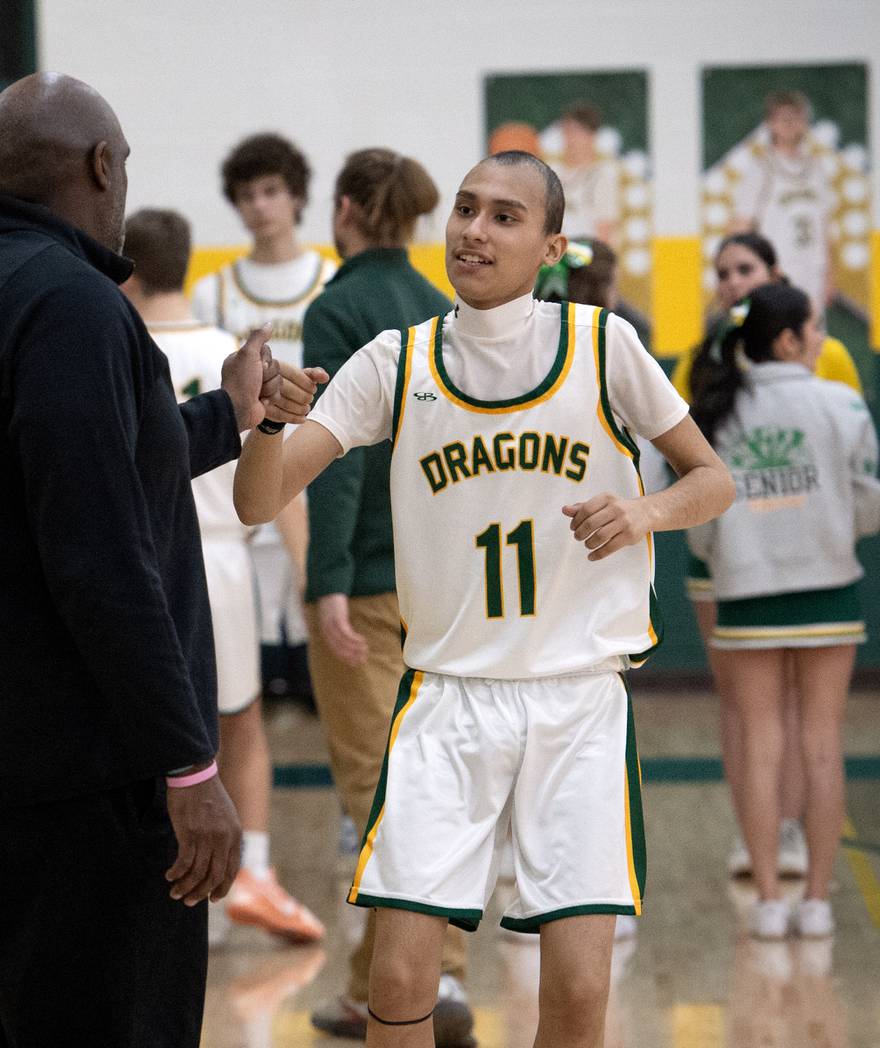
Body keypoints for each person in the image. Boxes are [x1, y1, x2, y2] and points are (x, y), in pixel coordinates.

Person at [234, 151, 734, 1046]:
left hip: (576, 697)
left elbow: (712, 480)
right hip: (447, 699)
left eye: (505, 216)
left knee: (579, 991)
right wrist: (268, 424)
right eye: (466, 209)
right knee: (395, 979)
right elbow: (256, 499)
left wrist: (643, 510)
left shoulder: (603, 345)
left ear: (552, 245)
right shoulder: (396, 358)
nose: (475, 229)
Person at [0, 72, 308, 1046]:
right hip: (70, 787)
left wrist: (229, 413)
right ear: (101, 166)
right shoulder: (72, 302)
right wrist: (189, 761)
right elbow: (99, 556)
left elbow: (97, 463)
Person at [295, 148, 473, 1045]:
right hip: (444, 581)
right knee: (429, 781)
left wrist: (325, 579)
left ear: (352, 208)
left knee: (380, 793)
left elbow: (336, 460)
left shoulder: (338, 307)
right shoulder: (442, 305)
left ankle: (435, 978)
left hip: (366, 581)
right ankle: (378, 988)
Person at [120, 207, 324, 947]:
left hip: (145, 558)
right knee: (239, 726)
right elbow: (279, 467)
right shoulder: (233, 355)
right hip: (228, 556)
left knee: (160, 730)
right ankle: (251, 873)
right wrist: (305, 571)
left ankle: (179, 883)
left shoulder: (117, 349)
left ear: (127, 269)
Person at [689, 282, 880, 938]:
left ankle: (770, 902)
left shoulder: (718, 410)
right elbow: (869, 499)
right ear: (787, 338)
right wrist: (829, 532)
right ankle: (819, 901)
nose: (823, 339)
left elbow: (699, 516)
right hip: (829, 589)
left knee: (762, 746)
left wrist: (735, 553)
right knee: (823, 746)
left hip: (744, 596)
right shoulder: (841, 403)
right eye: (817, 328)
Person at [192, 132, 332, 696]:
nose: (260, 205)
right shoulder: (213, 292)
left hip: (314, 473)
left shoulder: (329, 281)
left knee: (316, 671)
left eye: (272, 191)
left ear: (297, 197)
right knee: (248, 677)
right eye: (247, 195)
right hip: (242, 481)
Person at [729, 91, 835, 311]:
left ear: (805, 122)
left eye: (795, 117)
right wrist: (745, 273)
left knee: (812, 333)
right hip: (778, 270)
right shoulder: (761, 168)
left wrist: (829, 275)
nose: (789, 124)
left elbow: (823, 226)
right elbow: (741, 226)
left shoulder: (816, 168)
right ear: (770, 123)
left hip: (813, 269)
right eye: (782, 118)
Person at [553, 103, 620, 245]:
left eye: (576, 132)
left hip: (587, 258)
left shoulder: (602, 176)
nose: (570, 139)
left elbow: (605, 230)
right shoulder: (553, 174)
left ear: (592, 136)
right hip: (558, 258)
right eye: (566, 132)